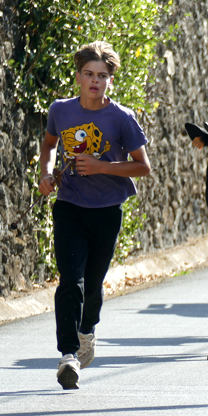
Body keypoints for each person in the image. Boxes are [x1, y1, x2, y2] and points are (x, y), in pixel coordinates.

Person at [37, 41, 151, 389]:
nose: (94, 81)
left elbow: (143, 167)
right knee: (70, 281)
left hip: (106, 211)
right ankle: (68, 355)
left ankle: (87, 332)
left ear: (110, 81)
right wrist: (46, 173)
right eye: (88, 74)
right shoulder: (61, 110)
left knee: (94, 285)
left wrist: (102, 166)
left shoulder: (121, 118)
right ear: (78, 76)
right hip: (70, 205)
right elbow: (49, 145)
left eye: (102, 76)